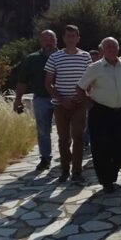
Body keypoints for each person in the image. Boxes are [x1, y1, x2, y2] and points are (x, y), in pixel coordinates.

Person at [76, 37, 121, 193]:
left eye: (114, 46)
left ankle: (112, 172)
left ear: (118, 48)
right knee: (101, 148)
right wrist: (90, 104)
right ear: (102, 50)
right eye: (108, 47)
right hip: (101, 113)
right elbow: (80, 88)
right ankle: (106, 180)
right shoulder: (95, 67)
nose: (112, 49)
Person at [44, 24, 91, 183]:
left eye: (73, 36)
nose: (71, 39)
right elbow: (48, 83)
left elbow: (89, 80)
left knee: (78, 137)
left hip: (79, 103)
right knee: (63, 139)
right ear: (63, 38)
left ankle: (76, 171)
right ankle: (65, 169)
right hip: (60, 105)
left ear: (78, 38)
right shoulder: (55, 57)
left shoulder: (85, 56)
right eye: (68, 36)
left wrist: (85, 96)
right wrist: (62, 100)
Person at [13, 30, 58, 171]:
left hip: (61, 98)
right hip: (41, 98)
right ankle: (45, 158)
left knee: (66, 129)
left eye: (51, 39)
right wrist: (18, 99)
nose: (49, 42)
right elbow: (22, 81)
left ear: (56, 40)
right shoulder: (32, 59)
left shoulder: (63, 56)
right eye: (45, 39)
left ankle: (66, 155)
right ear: (40, 41)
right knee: (43, 130)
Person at [84, 48, 103, 150]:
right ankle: (86, 141)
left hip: (99, 99)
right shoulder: (87, 70)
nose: (93, 61)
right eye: (92, 59)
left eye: (95, 59)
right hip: (88, 99)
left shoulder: (101, 68)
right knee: (88, 122)